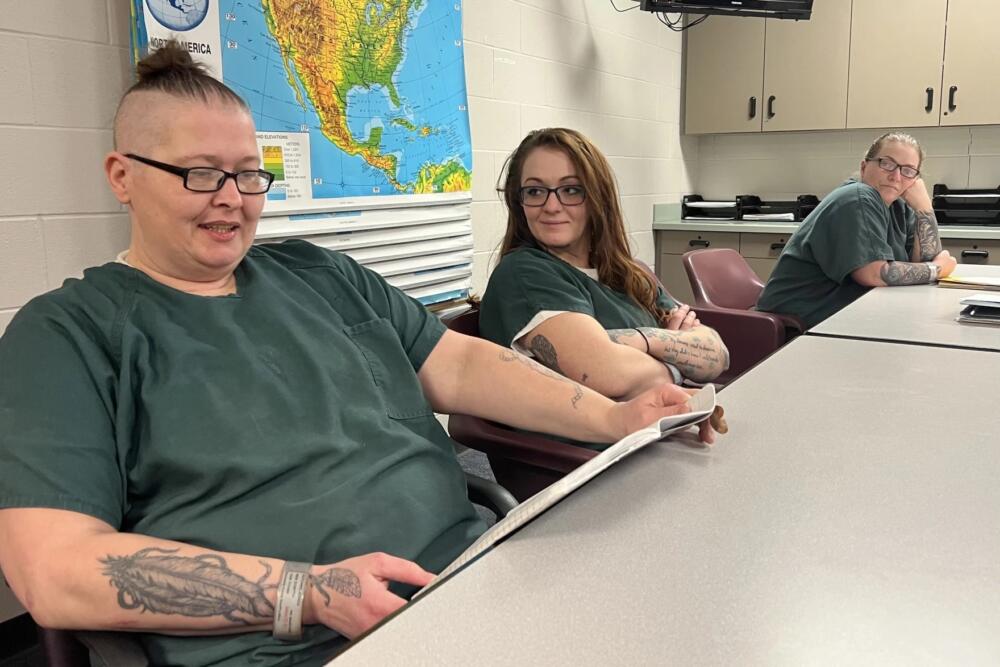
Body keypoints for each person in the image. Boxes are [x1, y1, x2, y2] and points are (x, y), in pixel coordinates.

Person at [0, 45, 715, 666]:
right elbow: (52, 567)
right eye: (200, 173)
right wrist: (303, 593)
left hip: (477, 584)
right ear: (122, 175)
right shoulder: (66, 334)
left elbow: (462, 365)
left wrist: (617, 417)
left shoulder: (319, 273)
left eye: (250, 174)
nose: (233, 200)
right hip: (306, 645)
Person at [477, 128, 729, 449]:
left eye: (570, 190)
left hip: (657, 435)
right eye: (535, 192)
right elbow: (604, 373)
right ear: (519, 201)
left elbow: (717, 355)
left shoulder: (629, 273)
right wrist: (675, 352)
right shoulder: (524, 273)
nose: (551, 206)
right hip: (584, 461)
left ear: (598, 197)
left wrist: (637, 343)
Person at [756, 131, 957, 328]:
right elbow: (873, 273)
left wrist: (924, 209)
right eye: (886, 164)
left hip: (843, 318)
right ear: (864, 167)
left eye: (908, 170)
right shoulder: (858, 197)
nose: (896, 176)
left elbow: (924, 261)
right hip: (795, 326)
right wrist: (936, 270)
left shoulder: (899, 207)